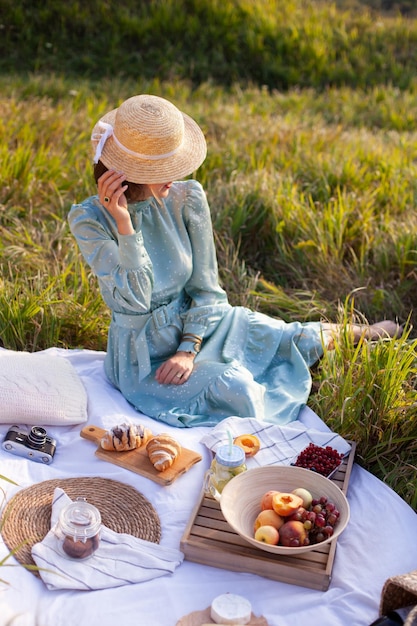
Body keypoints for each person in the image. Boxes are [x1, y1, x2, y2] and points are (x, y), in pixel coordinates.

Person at [68, 94, 400, 428]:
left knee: (286, 336)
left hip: (201, 326)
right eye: (161, 169)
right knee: (238, 388)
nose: (177, 174)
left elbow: (207, 289)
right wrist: (125, 226)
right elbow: (136, 299)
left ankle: (365, 335)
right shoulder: (90, 219)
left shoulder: (187, 198)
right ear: (130, 173)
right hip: (146, 360)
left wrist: (188, 348)